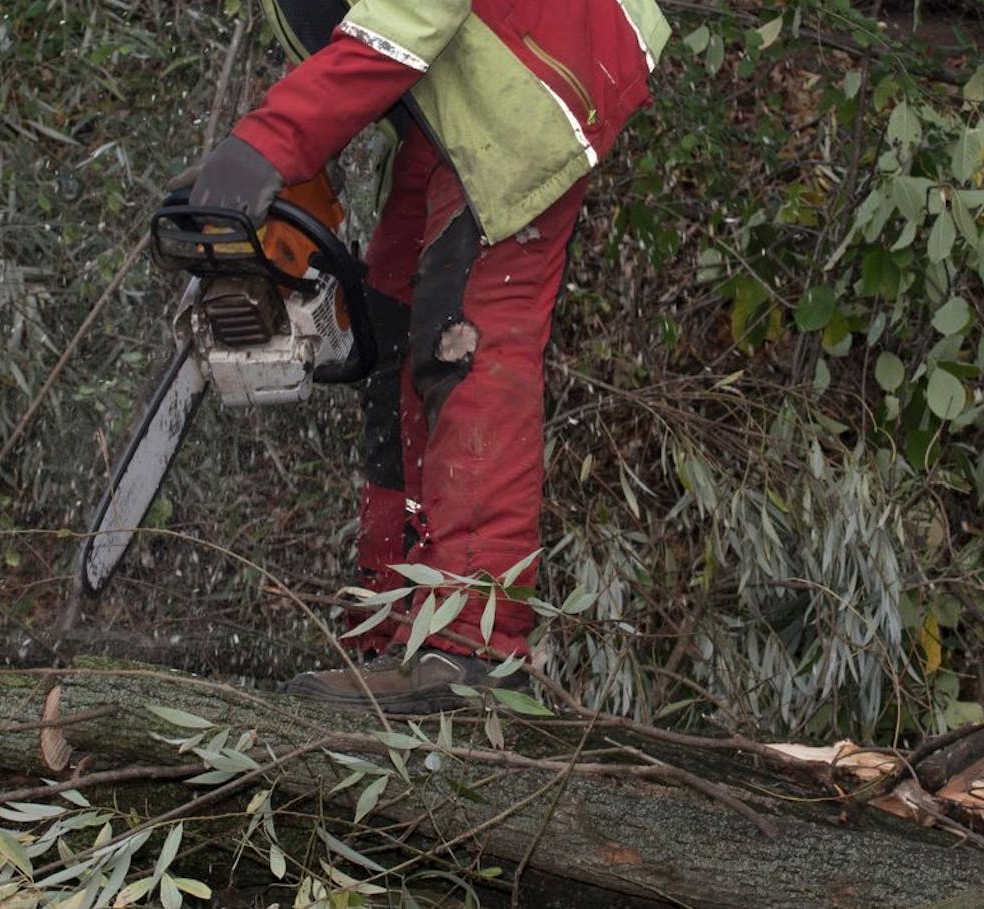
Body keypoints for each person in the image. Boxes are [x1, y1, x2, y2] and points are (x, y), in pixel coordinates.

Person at [181, 0, 670, 712]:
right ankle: (394, 621)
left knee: (467, 331)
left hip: (538, 63)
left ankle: (471, 642)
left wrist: (272, 140)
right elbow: (349, 47)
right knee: (391, 316)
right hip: (460, 92)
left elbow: (415, 11)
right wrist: (282, 167)